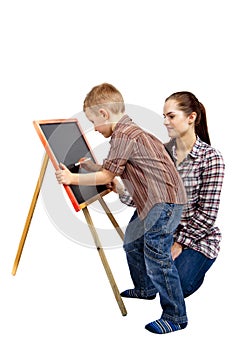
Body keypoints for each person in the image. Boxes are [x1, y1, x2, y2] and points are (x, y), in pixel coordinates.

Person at [55, 83, 188, 334]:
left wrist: (72, 179)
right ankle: (145, 288)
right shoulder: (131, 132)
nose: (94, 129)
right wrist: (92, 168)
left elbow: (108, 173)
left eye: (94, 121)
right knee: (131, 243)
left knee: (157, 257)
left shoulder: (125, 134)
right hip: (151, 201)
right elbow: (112, 169)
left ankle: (176, 315)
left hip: (164, 201)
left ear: (105, 114)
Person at [118, 91, 225, 303]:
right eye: (164, 116)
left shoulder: (210, 159)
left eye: (171, 116)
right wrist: (120, 189)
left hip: (195, 236)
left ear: (191, 117)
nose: (165, 122)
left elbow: (207, 215)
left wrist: (180, 244)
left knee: (179, 284)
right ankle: (145, 288)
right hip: (164, 226)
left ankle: (187, 270)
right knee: (134, 235)